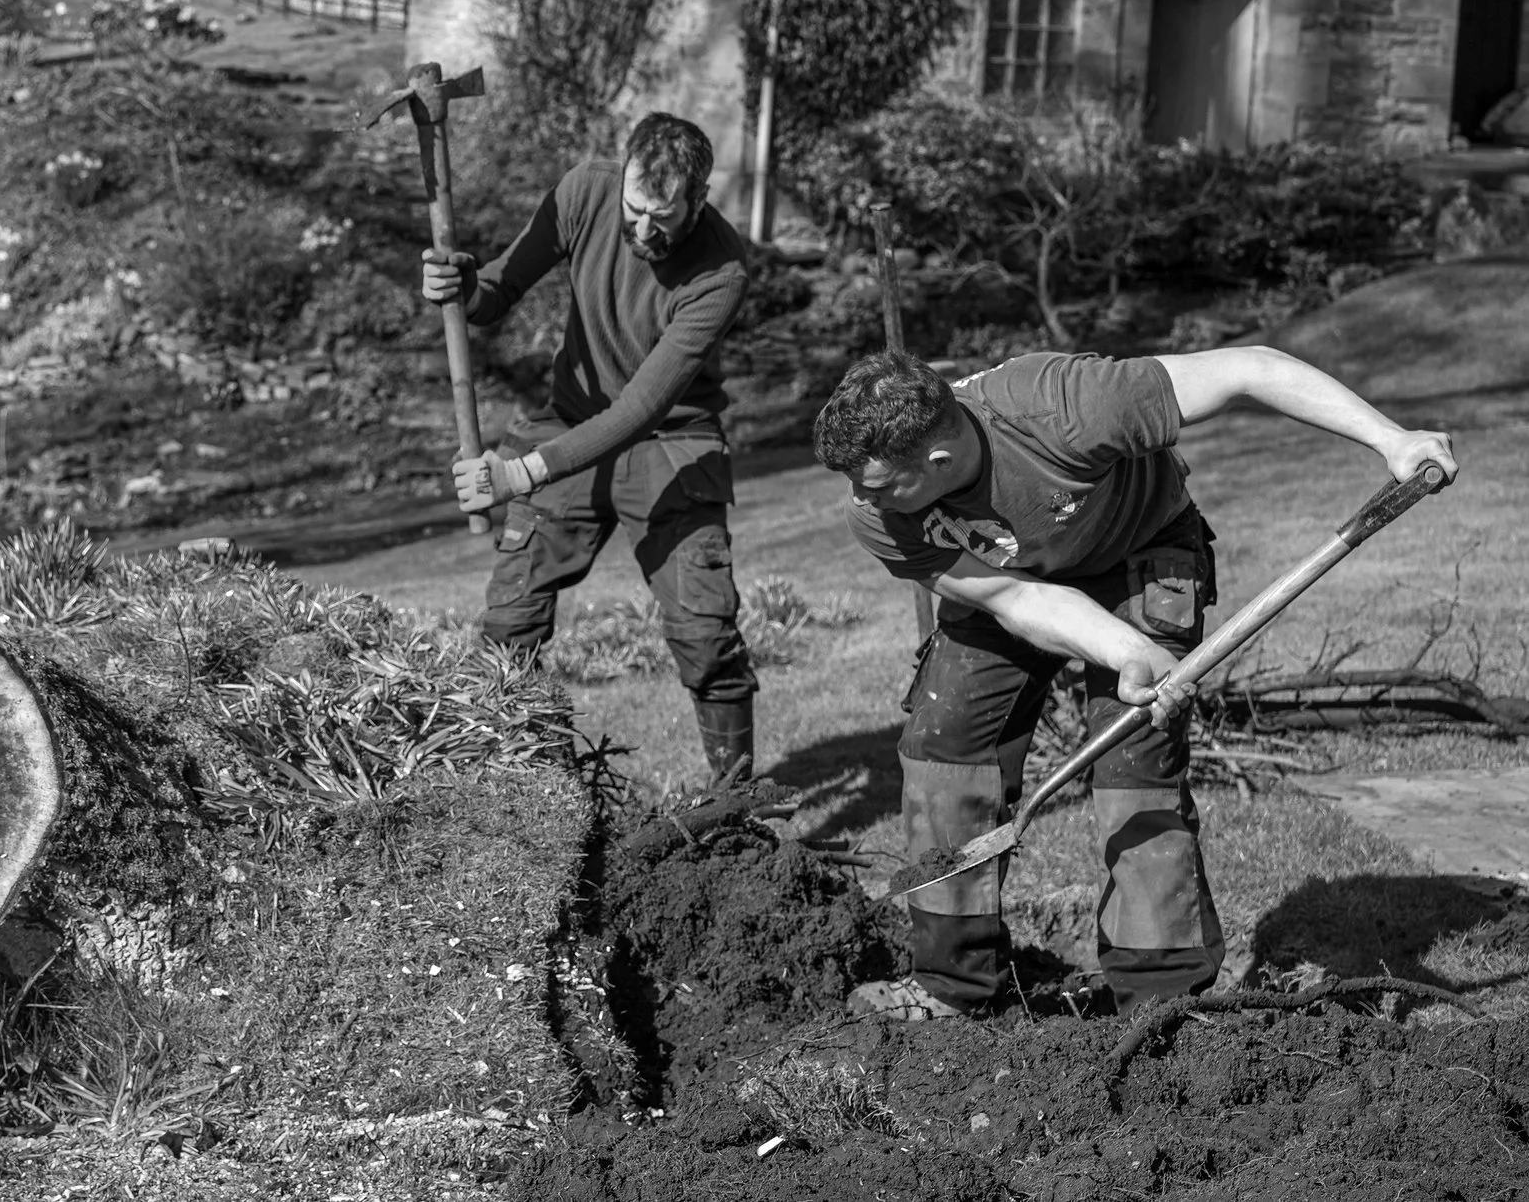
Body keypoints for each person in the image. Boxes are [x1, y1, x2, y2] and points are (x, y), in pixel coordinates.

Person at [812, 346, 1457, 1018]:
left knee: (1133, 763)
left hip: (1140, 548)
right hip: (1018, 579)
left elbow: (1250, 370)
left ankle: (1158, 997)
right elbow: (1012, 596)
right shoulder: (881, 516)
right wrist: (1124, 647)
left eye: (878, 483)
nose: (861, 499)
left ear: (937, 463)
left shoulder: (1064, 405)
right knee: (944, 744)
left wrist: (1392, 437)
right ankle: (951, 982)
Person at [424, 111, 757, 782]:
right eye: (634, 209)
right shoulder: (583, 191)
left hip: (672, 442)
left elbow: (642, 405)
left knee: (704, 634)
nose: (641, 230)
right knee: (508, 626)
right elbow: (498, 289)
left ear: (699, 200)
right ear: (622, 176)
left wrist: (521, 473)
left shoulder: (721, 271)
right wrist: (462, 286)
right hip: (571, 419)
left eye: (661, 218)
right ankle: (525, 787)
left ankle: (734, 803)